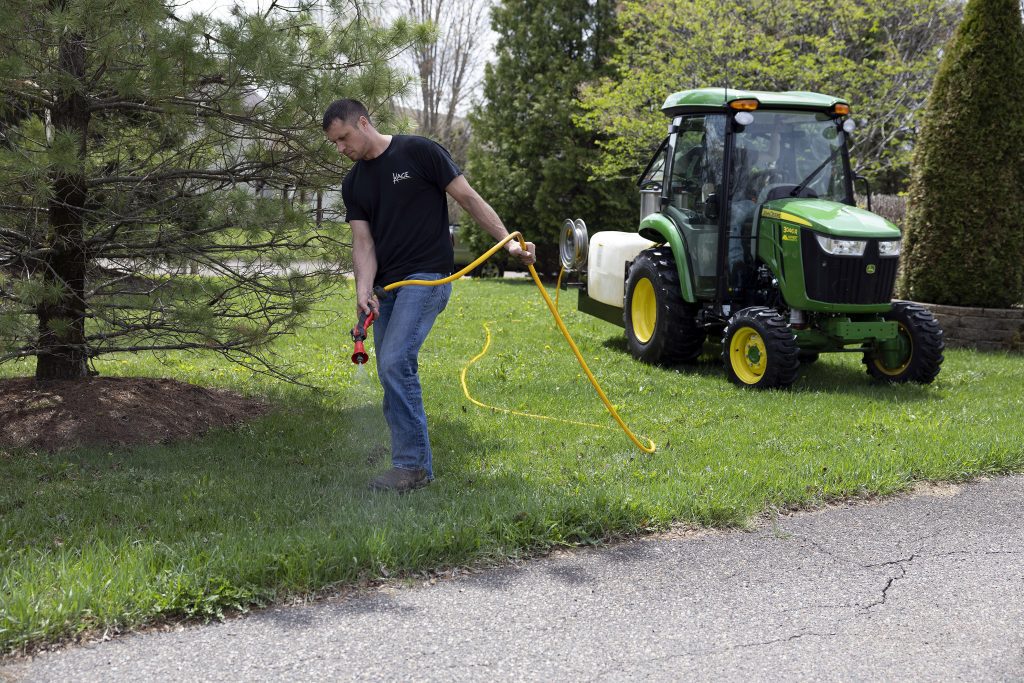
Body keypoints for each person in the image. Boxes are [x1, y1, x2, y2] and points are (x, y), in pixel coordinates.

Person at [322, 99, 536, 493]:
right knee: (391, 371)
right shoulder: (354, 182)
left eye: (343, 138)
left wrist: (507, 244)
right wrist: (362, 289)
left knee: (394, 361)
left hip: (428, 279)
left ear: (363, 123)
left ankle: (412, 467)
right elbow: (363, 241)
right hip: (388, 290)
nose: (340, 149)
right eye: (334, 143)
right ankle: (409, 460)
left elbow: (469, 199)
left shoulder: (419, 152)